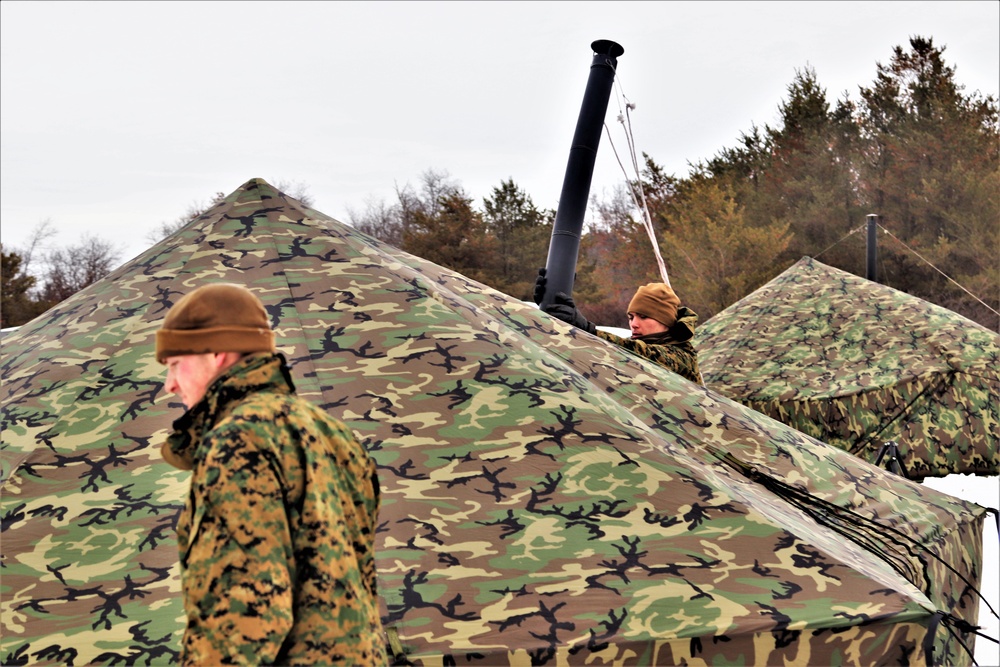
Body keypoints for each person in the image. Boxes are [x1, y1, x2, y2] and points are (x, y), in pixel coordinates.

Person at [155, 283, 387, 665]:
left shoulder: (238, 441)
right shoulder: (332, 434)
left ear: (216, 353)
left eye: (176, 363)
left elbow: (245, 612)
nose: (170, 384)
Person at [534, 269, 702, 384]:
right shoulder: (627, 347)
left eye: (644, 317)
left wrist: (587, 329)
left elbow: (639, 353)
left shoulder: (683, 357)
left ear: (666, 320)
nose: (634, 324)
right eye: (631, 317)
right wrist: (550, 305)